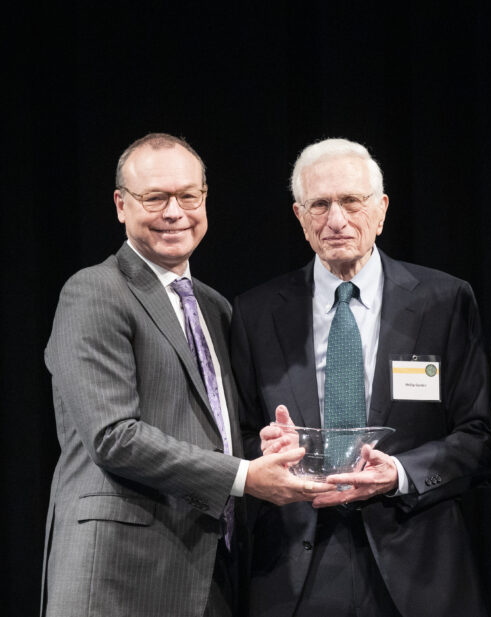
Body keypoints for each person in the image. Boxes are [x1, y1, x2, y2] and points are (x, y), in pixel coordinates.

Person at [41, 133, 320, 617]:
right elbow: (113, 436)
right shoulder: (94, 291)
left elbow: (212, 432)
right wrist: (244, 476)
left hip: (207, 572)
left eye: (189, 196)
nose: (175, 212)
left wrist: (262, 450)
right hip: (117, 578)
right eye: (156, 198)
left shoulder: (215, 308)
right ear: (121, 205)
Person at [231, 138, 491, 617]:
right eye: (320, 205)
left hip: (418, 556)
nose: (336, 220)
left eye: (351, 201)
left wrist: (400, 474)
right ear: (299, 216)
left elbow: (479, 434)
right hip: (295, 565)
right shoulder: (255, 313)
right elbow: (240, 435)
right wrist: (268, 451)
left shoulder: (444, 301)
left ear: (382, 210)